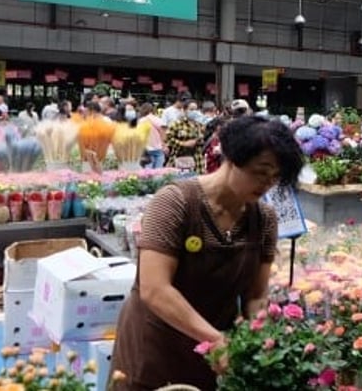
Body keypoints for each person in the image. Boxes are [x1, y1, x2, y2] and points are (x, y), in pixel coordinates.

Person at [111, 116, 302, 390]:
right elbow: (154, 290)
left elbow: (256, 295)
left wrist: (259, 341)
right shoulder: (175, 202)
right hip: (156, 345)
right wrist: (214, 339)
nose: (267, 183)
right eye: (261, 172)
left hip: (213, 350)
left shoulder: (264, 219)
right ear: (232, 158)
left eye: (275, 177)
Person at [165, 105, 205, 172]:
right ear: (184, 110)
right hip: (179, 158)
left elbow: (202, 140)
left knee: (196, 180)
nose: (194, 112)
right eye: (191, 109)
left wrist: (197, 141)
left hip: (197, 159)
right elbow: (168, 139)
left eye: (196, 109)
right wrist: (183, 143)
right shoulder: (177, 124)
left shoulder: (198, 125)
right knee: (180, 179)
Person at [138, 103, 166, 169]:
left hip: (147, 148)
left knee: (148, 171)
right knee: (158, 170)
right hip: (159, 147)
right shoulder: (157, 119)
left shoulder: (141, 121)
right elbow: (163, 132)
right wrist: (164, 144)